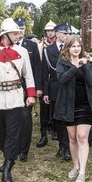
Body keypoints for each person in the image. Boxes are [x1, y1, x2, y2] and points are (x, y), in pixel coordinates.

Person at [0, 18, 37, 182]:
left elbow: (29, 75)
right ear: (5, 35)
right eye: (14, 33)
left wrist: (31, 95)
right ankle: (6, 157)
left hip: (15, 96)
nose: (18, 36)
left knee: (13, 133)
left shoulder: (22, 51)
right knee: (1, 134)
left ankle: (8, 169)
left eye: (18, 33)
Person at [53, 35, 92, 182]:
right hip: (68, 106)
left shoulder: (86, 62)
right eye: (73, 46)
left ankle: (82, 172)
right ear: (68, 48)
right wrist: (75, 67)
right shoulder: (62, 62)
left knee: (82, 137)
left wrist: (85, 65)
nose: (76, 49)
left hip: (85, 105)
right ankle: (75, 165)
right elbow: (62, 80)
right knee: (72, 139)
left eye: (79, 46)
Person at [41, 23, 72, 160]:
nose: (67, 36)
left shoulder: (73, 48)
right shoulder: (48, 50)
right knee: (58, 118)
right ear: (57, 33)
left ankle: (69, 147)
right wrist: (46, 92)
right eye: (65, 33)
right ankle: (62, 145)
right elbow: (45, 73)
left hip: (70, 87)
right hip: (55, 88)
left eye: (69, 34)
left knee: (69, 118)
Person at [14, 17, 42, 161]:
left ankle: (23, 149)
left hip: (27, 89)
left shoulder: (30, 46)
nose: (19, 32)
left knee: (25, 118)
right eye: (17, 30)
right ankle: (14, 146)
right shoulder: (8, 45)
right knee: (14, 118)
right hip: (12, 88)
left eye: (22, 29)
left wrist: (37, 88)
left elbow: (37, 67)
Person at [36, 20, 56, 148]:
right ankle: (43, 134)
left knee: (54, 108)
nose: (50, 33)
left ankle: (53, 129)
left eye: (52, 30)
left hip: (54, 81)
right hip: (44, 80)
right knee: (44, 110)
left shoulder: (60, 45)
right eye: (48, 31)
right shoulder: (40, 46)